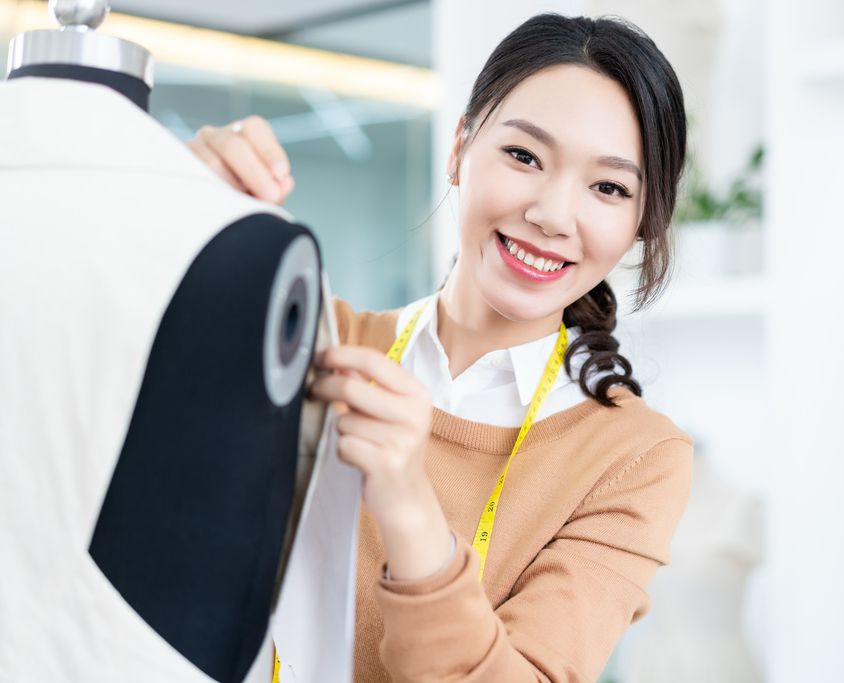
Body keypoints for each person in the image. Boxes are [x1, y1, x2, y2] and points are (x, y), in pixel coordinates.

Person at [188, 14, 692, 682]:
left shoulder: (634, 458)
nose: (551, 214)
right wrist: (181, 207)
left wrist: (406, 500)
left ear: (638, 224)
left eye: (608, 187)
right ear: (458, 147)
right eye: (524, 155)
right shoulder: (307, 339)